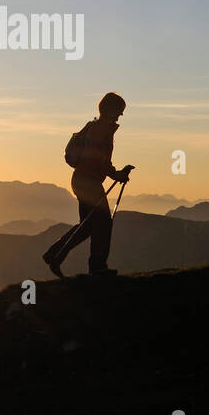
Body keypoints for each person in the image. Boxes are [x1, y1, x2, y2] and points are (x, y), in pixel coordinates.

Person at [42, 92, 134, 277]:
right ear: (109, 110)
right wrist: (117, 174)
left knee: (88, 225)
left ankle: (55, 254)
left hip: (83, 180)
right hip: (88, 181)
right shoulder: (100, 130)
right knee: (103, 224)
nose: (120, 116)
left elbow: (97, 160)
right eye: (119, 111)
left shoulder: (96, 128)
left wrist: (116, 173)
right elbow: (97, 159)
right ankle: (97, 267)